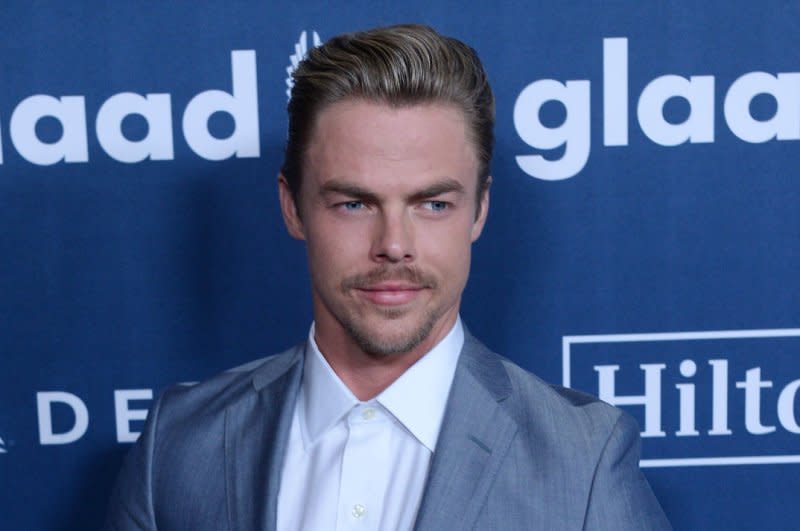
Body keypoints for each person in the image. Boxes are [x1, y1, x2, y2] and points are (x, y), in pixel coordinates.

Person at [106, 24, 671, 530]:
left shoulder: (583, 461)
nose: (393, 245)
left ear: (479, 211)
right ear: (293, 207)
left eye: (432, 205)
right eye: (354, 204)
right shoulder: (177, 446)